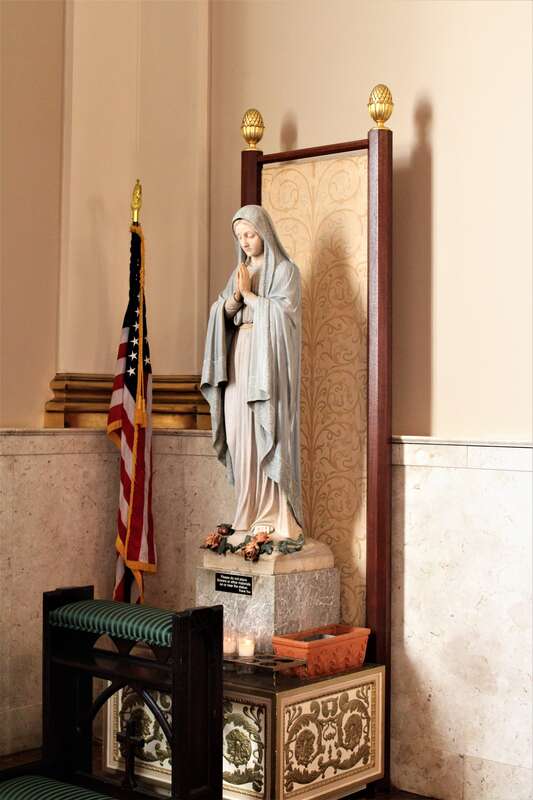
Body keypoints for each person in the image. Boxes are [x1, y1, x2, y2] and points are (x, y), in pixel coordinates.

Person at [201, 205, 303, 544]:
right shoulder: (239, 271)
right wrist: (233, 298)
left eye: (250, 234)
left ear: (265, 233)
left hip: (266, 367)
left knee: (262, 431)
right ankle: (245, 513)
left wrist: (250, 297)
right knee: (239, 436)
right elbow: (223, 314)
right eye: (240, 236)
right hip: (237, 359)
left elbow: (284, 317)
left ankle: (270, 516)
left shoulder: (286, 271)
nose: (245, 242)